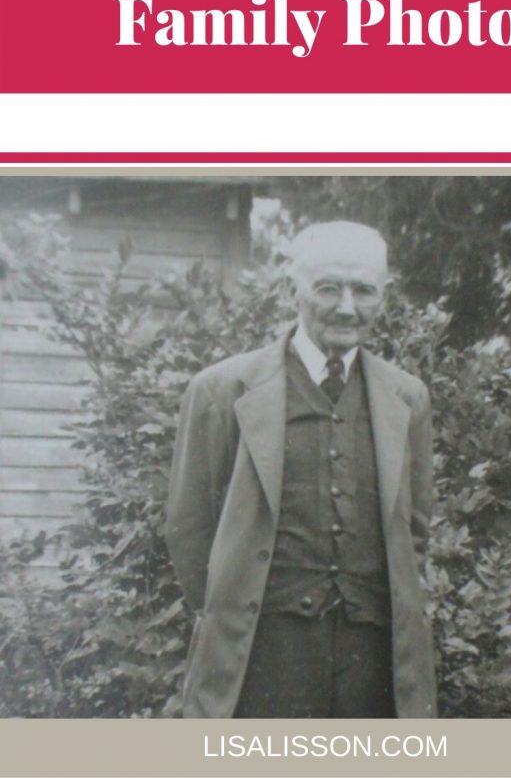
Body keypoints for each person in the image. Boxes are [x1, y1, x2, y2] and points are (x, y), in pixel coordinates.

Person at [165, 221, 436, 718]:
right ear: (294, 290)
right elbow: (190, 528)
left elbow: (413, 529)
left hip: (372, 663)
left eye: (364, 290)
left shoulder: (408, 397)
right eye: (328, 288)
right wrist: (231, 613)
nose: (347, 306)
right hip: (262, 657)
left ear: (385, 296)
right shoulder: (221, 391)